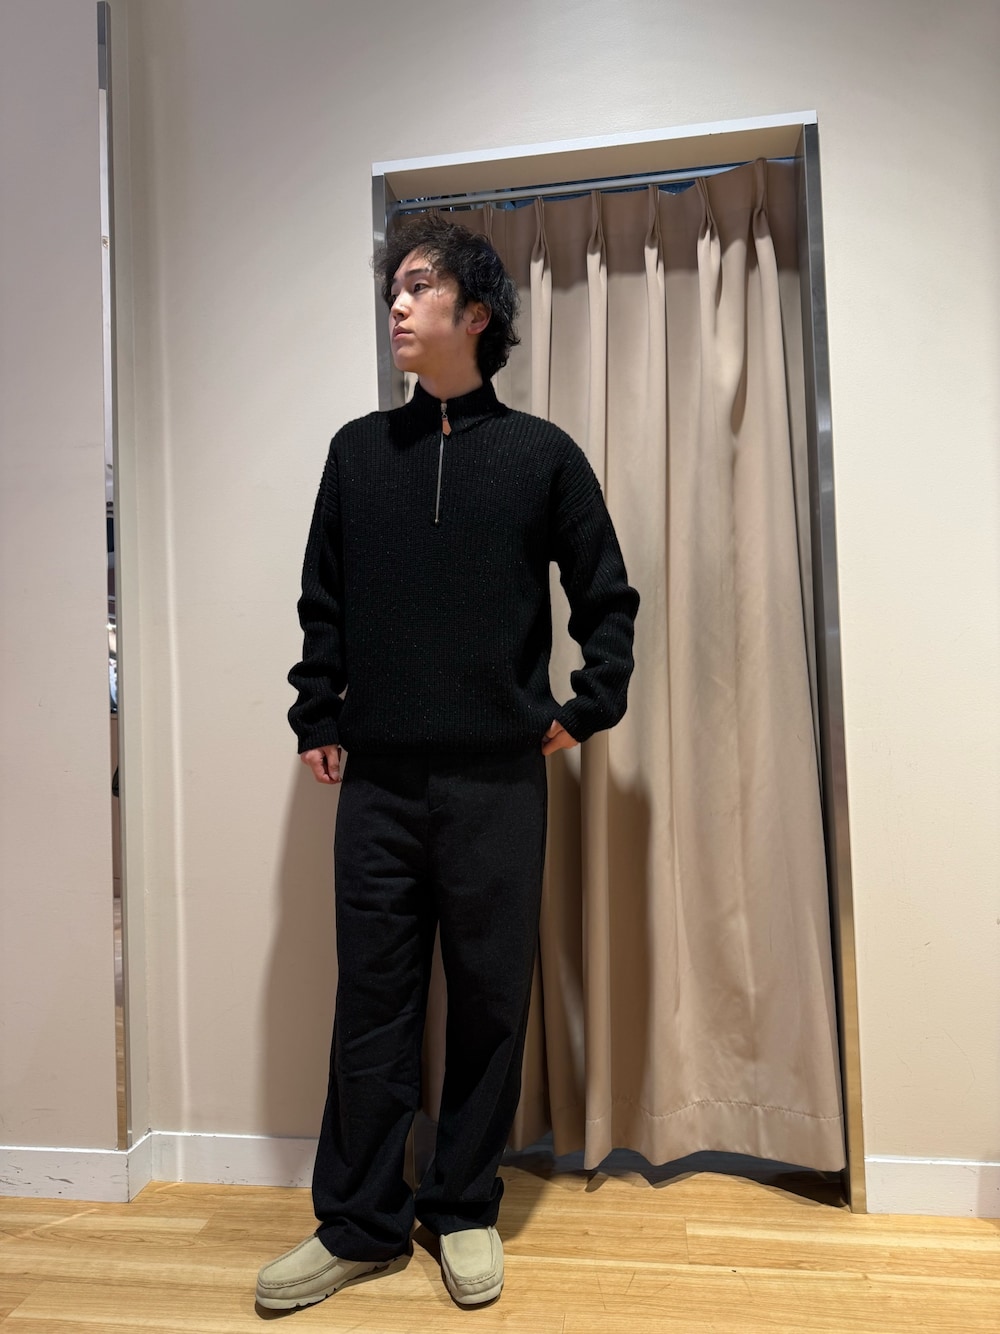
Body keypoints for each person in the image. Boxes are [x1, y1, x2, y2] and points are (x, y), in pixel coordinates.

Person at [256, 213, 639, 1312]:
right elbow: (321, 599)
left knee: (487, 1002)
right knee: (372, 1005)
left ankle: (463, 1205)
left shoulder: (542, 455)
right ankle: (360, 1223)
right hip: (376, 783)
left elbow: (606, 595)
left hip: (496, 785)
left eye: (418, 286)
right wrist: (316, 709)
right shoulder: (355, 453)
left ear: (475, 313)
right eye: (393, 286)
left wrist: (588, 704)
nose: (397, 303)